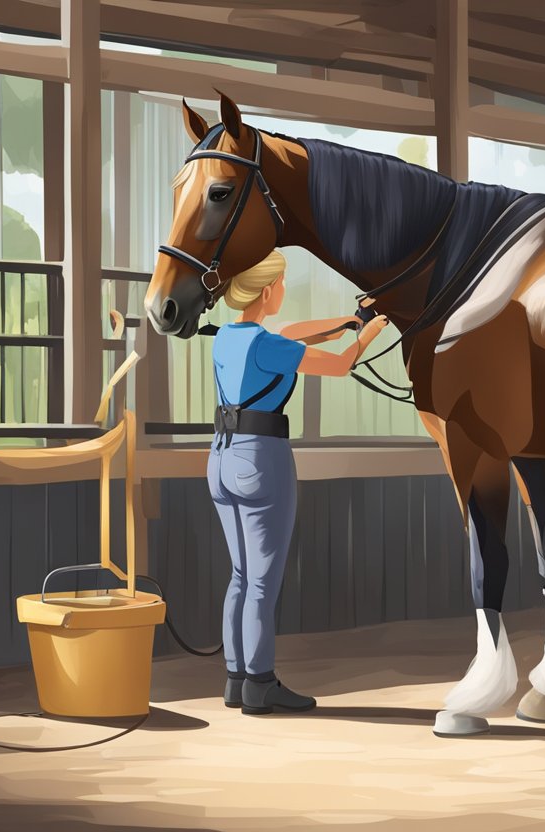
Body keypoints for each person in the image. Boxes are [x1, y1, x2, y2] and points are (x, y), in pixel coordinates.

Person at [209, 249, 388, 715]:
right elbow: (339, 364)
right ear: (268, 290)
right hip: (260, 459)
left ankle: (235, 678)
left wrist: (349, 319)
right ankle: (261, 684)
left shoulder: (228, 337)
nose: (285, 291)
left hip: (221, 458)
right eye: (282, 284)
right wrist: (367, 333)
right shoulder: (272, 347)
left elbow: (290, 336)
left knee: (240, 576)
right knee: (263, 583)